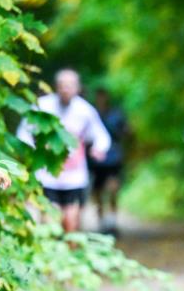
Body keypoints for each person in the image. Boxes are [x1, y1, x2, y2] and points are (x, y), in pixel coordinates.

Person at [17, 69, 110, 233]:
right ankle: (53, 255)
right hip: (47, 175)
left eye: (70, 85)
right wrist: (32, 150)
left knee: (71, 222)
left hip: (74, 177)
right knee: (51, 222)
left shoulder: (85, 111)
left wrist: (98, 149)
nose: (66, 89)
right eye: (62, 85)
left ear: (78, 88)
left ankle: (70, 253)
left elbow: (100, 135)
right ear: (56, 87)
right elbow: (23, 132)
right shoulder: (42, 107)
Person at [89, 89, 127, 236]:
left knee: (113, 188)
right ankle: (102, 221)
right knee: (97, 190)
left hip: (113, 158)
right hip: (97, 161)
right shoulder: (91, 114)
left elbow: (126, 131)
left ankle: (111, 221)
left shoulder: (116, 114)